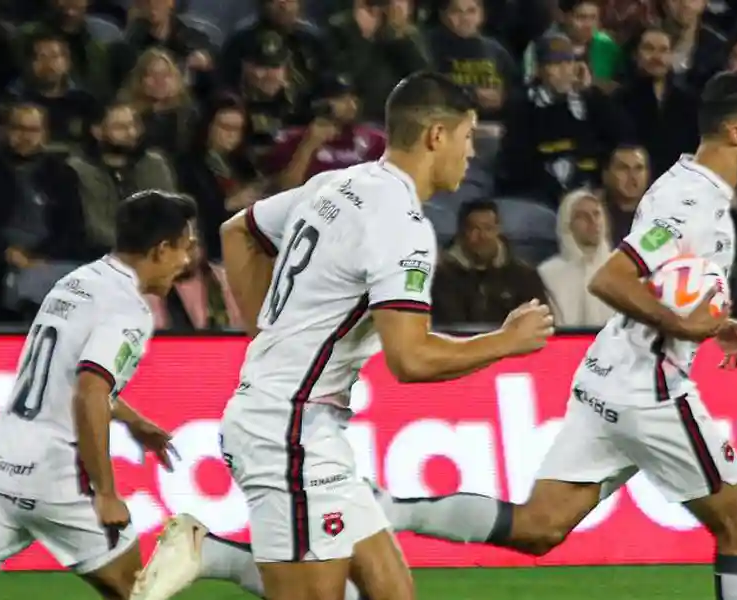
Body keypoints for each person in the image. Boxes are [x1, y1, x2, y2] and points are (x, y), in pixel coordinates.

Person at [131, 71, 554, 600]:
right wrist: (506, 341)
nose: (472, 154)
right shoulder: (401, 223)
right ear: (436, 136)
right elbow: (411, 358)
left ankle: (209, 552)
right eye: (468, 136)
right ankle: (211, 552)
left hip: (303, 428)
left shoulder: (338, 183)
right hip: (287, 434)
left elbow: (238, 231)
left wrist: (267, 331)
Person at [363, 70, 737, 600]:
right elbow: (611, 277)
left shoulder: (692, 188)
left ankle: (387, 508)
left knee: (541, 527)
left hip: (608, 378)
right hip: (648, 390)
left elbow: (664, 283)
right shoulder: (690, 203)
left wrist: (710, 322)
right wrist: (681, 325)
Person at [0, 190, 198, 600]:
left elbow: (64, 375)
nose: (187, 261)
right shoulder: (128, 308)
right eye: (185, 248)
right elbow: (89, 393)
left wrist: (133, 420)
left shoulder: (75, 281)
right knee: (139, 592)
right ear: (162, 249)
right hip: (55, 475)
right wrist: (106, 493)